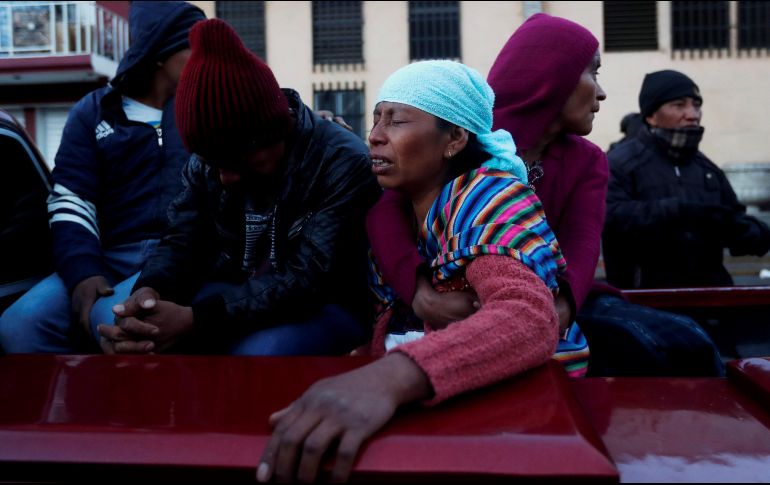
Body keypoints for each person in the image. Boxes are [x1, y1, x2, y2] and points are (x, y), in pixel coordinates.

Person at [256, 60, 563, 483]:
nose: (376, 135)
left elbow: (528, 316)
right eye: (376, 118)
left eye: (397, 120)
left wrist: (389, 377)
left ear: (454, 138)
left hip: (518, 423)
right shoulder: (401, 210)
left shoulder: (486, 196)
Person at [368, 14, 723, 377]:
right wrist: (420, 293)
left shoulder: (587, 160)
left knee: (680, 342)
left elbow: (581, 244)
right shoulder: (470, 137)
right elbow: (386, 214)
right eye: (593, 74)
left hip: (544, 299)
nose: (601, 93)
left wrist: (560, 308)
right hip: (452, 299)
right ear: (554, 77)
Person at [96, 19, 380, 356]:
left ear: (276, 134)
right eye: (213, 163)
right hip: (232, 289)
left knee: (262, 352)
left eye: (235, 162)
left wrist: (196, 319)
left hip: (324, 305)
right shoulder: (210, 160)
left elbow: (309, 280)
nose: (225, 177)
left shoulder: (340, 161)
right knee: (116, 318)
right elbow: (181, 240)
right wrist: (149, 294)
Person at [0, 1, 206, 353]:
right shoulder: (94, 111)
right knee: (20, 326)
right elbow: (70, 198)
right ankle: (63, 407)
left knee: (117, 322)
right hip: (107, 256)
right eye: (194, 48)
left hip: (184, 255)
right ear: (160, 54)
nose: (204, 59)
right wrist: (83, 271)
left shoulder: (204, 109)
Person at [603, 69, 770, 289]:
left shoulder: (708, 169)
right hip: (642, 304)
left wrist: (749, 232)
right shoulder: (618, 163)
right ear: (652, 115)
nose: (693, 114)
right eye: (679, 105)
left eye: (696, 105)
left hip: (710, 302)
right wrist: (677, 212)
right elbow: (609, 218)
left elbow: (735, 220)